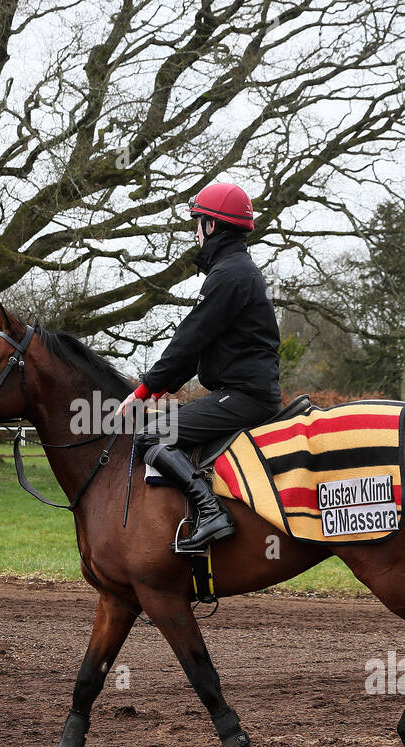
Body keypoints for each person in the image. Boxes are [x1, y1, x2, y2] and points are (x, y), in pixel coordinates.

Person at [118, 181, 281, 552]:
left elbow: (188, 340)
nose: (195, 232)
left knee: (152, 435)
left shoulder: (229, 275)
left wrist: (143, 390)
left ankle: (211, 512)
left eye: (198, 222)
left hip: (244, 398)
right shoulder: (234, 270)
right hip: (243, 393)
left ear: (212, 226)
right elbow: (195, 351)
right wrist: (154, 390)